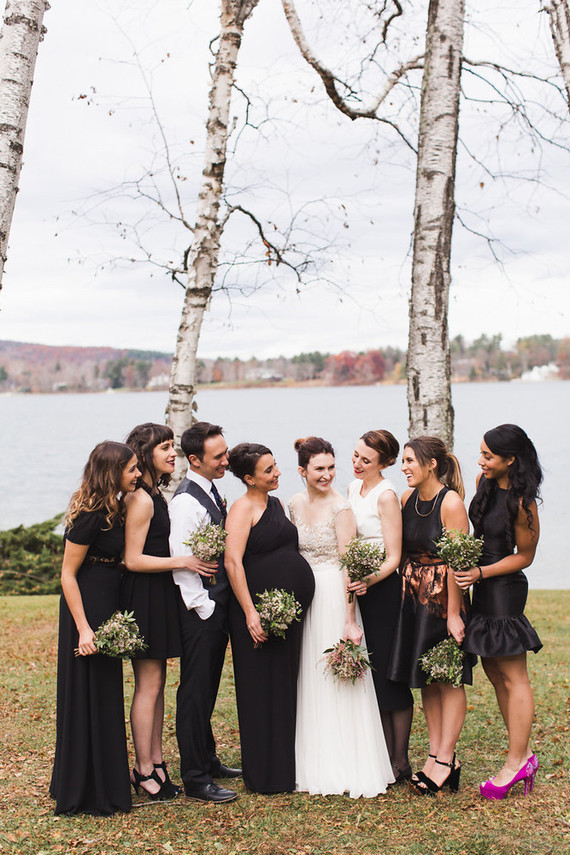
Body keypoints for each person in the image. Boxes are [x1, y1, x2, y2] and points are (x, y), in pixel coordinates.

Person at [289, 436, 394, 797]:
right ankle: (312, 760)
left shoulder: (342, 507)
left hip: (335, 596)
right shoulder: (293, 504)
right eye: (319, 468)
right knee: (311, 676)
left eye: (331, 467)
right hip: (306, 598)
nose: (328, 474)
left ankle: (349, 762)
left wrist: (350, 619)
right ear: (302, 471)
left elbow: (350, 564)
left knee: (339, 677)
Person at [50, 441, 140, 816]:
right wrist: (85, 629)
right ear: (112, 472)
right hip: (85, 609)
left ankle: (106, 781)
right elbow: (68, 575)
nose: (137, 474)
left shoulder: (114, 507)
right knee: (87, 693)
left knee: (104, 693)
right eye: (132, 469)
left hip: (106, 604)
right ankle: (86, 789)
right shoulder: (89, 514)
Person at [454, 424, 542, 800]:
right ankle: (521, 754)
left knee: (513, 674)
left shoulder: (524, 503)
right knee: (493, 669)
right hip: (480, 584)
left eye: (489, 456)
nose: (481, 460)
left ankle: (516, 761)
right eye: (481, 453)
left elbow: (525, 557)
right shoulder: (482, 482)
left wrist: (481, 571)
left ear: (511, 459)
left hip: (504, 588)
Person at [122, 423, 209, 801]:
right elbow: (132, 559)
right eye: (166, 448)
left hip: (159, 595)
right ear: (146, 454)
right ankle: (143, 769)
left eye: (174, 447)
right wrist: (184, 561)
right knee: (149, 685)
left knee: (156, 687)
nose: (173, 453)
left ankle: (156, 762)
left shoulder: (156, 491)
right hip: (143, 596)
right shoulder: (141, 498)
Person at [225, 443, 315, 793]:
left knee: (283, 685)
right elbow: (233, 562)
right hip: (255, 614)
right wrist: (251, 613)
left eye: (275, 466)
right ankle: (263, 774)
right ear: (249, 478)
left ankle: (284, 767)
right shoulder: (242, 508)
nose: (277, 473)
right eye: (268, 470)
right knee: (258, 688)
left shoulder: (276, 504)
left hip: (285, 616)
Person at [388, 436, 474, 795]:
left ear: (432, 464)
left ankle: (446, 757)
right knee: (427, 678)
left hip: (442, 600)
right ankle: (437, 754)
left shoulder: (451, 503)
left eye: (410, 461)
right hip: (413, 599)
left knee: (449, 679)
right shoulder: (407, 498)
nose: (404, 467)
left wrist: (454, 614)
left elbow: (458, 562)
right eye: (403, 461)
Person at [169, 421, 241, 804]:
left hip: (213, 608)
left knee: (208, 688)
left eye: (226, 453)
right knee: (195, 694)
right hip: (200, 612)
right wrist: (206, 607)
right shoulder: (185, 503)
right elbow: (183, 565)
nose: (225, 461)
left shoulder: (209, 491)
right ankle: (196, 778)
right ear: (194, 460)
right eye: (218, 457)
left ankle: (208, 759)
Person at [346, 429, 414, 782]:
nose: (357, 463)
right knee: (371, 674)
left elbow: (394, 556)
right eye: (356, 455)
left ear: (384, 463)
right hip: (359, 591)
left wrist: (367, 580)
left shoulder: (387, 496)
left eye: (366, 460)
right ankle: (381, 754)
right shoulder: (351, 488)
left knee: (390, 673)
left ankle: (400, 759)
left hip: (384, 592)